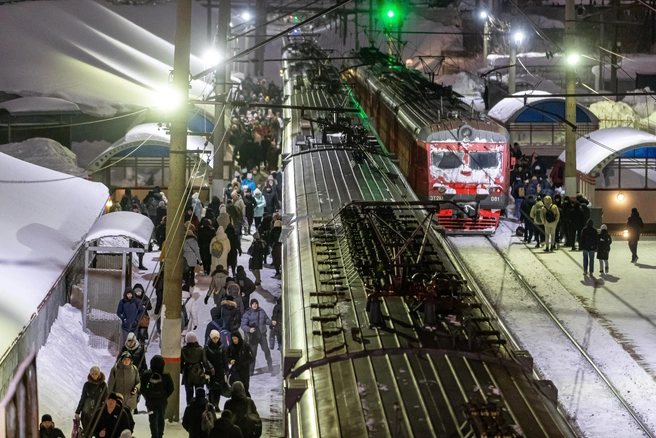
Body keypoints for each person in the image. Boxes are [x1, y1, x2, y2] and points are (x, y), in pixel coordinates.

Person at [141, 355, 175, 438]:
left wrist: (147, 396)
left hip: (150, 402)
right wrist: (164, 396)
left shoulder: (146, 374)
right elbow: (171, 388)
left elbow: (142, 388)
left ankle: (154, 435)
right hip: (162, 402)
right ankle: (160, 435)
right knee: (161, 418)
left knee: (152, 419)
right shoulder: (166, 375)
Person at [241, 299, 273, 375]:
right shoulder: (247, 314)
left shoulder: (262, 311)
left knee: (266, 351)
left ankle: (270, 367)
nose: (255, 305)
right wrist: (249, 329)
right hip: (253, 336)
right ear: (251, 305)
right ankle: (251, 371)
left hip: (262, 335)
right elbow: (243, 325)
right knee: (252, 354)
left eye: (256, 304)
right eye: (253, 304)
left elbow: (266, 320)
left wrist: (271, 322)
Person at [181, 332, 213, 405]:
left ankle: (189, 409)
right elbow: (205, 362)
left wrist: (181, 370)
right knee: (200, 393)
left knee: (189, 394)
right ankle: (199, 408)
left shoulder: (184, 350)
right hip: (199, 373)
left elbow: (181, 363)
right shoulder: (200, 349)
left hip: (187, 373)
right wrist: (208, 372)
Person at [75, 366, 107, 433]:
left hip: (98, 412)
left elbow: (105, 399)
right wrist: (77, 412)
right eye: (92, 374)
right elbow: (83, 398)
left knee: (98, 432)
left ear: (99, 374)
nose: (94, 375)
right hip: (86, 412)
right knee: (87, 432)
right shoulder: (87, 385)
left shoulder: (103, 385)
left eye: (96, 373)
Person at [205, 330, 229, 409]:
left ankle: (216, 405)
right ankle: (211, 404)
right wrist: (210, 367)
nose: (215, 340)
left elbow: (224, 359)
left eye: (217, 338)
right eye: (214, 338)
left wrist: (226, 369)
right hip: (211, 371)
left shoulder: (221, 347)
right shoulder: (207, 347)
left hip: (220, 371)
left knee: (218, 389)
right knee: (212, 389)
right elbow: (205, 359)